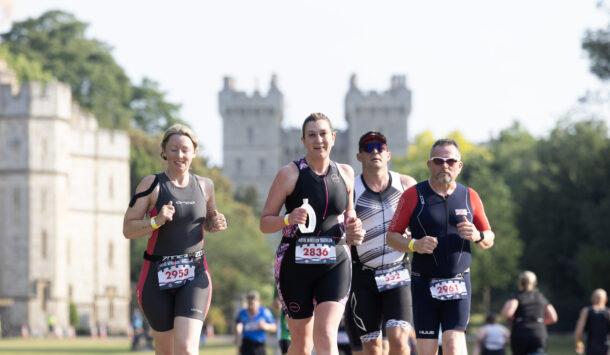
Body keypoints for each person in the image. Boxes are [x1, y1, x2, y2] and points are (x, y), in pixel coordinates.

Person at [260, 112, 364, 355]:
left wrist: (354, 224)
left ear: (333, 137)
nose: (319, 140)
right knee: (302, 346)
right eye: (312, 135)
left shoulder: (346, 173)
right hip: (295, 266)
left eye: (323, 134)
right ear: (303, 141)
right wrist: (288, 219)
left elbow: (349, 214)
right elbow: (265, 222)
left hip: (335, 262)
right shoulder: (289, 174)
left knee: (327, 335)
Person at [123, 124, 227, 355]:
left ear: (194, 152)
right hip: (155, 277)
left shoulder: (205, 186)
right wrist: (155, 221)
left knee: (187, 349)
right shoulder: (152, 184)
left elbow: (209, 220)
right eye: (173, 150)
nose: (180, 155)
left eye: (185, 150)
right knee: (166, 352)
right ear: (164, 151)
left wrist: (216, 223)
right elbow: (128, 229)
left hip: (195, 273)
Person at [386, 138, 495, 355]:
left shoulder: (469, 196)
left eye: (451, 161)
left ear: (459, 166)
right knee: (427, 351)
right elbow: (391, 237)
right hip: (424, 284)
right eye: (438, 160)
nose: (445, 165)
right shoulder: (413, 196)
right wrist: (414, 244)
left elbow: (489, 237)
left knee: (454, 346)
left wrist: (477, 234)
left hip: (458, 282)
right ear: (429, 164)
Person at [346, 131, 417, 355]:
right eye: (368, 147)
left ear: (388, 154)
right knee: (374, 349)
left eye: (380, 147)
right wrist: (347, 236)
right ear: (359, 156)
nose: (375, 151)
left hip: (398, 271)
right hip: (363, 275)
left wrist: (413, 233)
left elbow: (423, 225)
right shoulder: (350, 189)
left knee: (398, 340)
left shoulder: (406, 184)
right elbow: (336, 231)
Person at [501, 270, 558, 355]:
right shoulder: (540, 297)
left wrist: (511, 319)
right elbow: (553, 317)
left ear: (520, 283)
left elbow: (507, 313)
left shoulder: (517, 296)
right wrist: (538, 322)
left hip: (520, 333)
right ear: (535, 283)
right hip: (538, 333)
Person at [235, 290, 277, 355]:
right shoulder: (242, 313)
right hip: (246, 344)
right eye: (249, 303)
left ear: (259, 302)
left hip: (259, 345)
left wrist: (266, 326)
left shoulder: (265, 312)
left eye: (252, 303)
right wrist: (237, 333)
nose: (250, 306)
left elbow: (274, 327)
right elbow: (238, 324)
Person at [574, 288, 610, 355]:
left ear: (592, 299)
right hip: (606, 347)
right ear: (606, 299)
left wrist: (579, 344)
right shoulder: (608, 312)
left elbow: (579, 331)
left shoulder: (586, 311)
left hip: (591, 347)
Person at [273, 288, 291, 354]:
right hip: (286, 331)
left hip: (304, 324)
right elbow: (275, 303)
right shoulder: (280, 278)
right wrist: (277, 303)